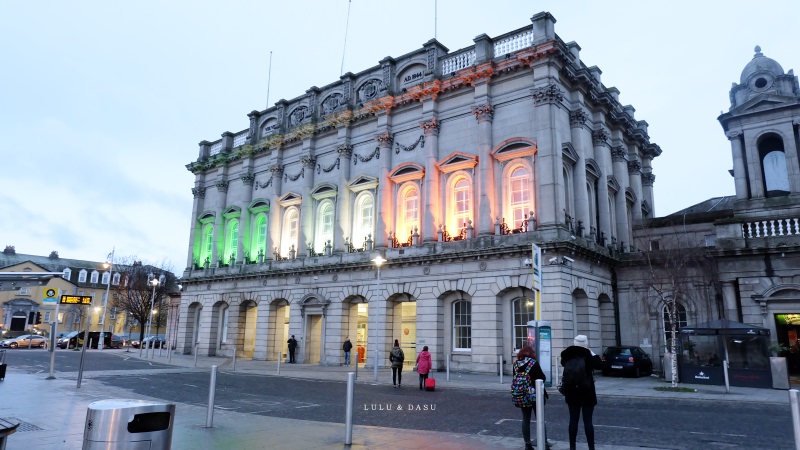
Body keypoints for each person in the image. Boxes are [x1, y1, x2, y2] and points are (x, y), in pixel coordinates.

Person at [560, 335, 602, 450]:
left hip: (572, 391)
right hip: (587, 392)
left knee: (573, 420)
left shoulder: (567, 354)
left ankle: (572, 447)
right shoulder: (588, 355)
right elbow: (599, 365)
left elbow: (563, 363)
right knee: (588, 421)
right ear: (586, 344)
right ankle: (591, 447)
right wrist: (591, 352)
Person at [514, 345, 550, 450]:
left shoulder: (516, 364)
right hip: (535, 395)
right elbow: (542, 377)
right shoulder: (533, 363)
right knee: (540, 419)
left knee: (526, 419)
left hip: (522, 395)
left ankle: (527, 444)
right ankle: (544, 443)